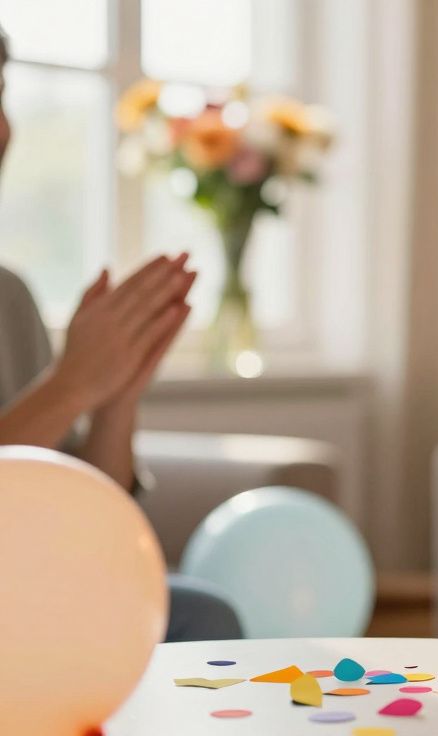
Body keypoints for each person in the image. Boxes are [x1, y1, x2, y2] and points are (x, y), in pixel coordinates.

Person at [0, 30, 242, 641]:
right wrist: (72, 383)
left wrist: (116, 396)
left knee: (200, 614)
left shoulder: (9, 296)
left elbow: (88, 509)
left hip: (31, 581)